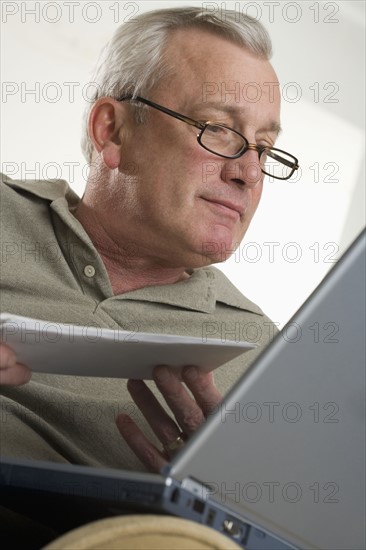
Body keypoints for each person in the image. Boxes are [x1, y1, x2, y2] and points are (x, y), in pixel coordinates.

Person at [0, 6, 298, 541]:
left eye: (265, 148)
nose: (249, 172)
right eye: (220, 130)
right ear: (111, 131)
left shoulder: (265, 357)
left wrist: (236, 507)